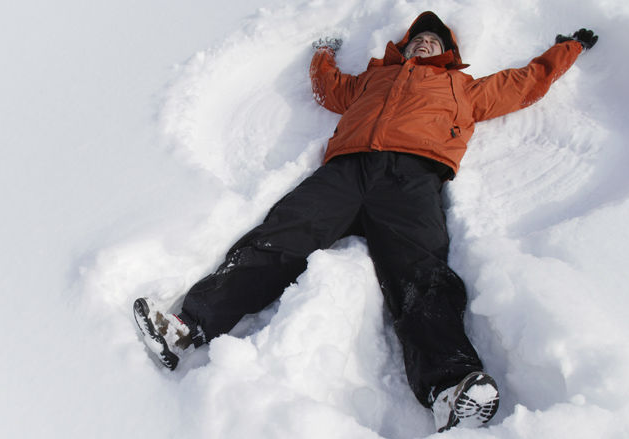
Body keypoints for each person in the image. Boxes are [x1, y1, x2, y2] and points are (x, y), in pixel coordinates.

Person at [133, 11, 598, 432]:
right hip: (346, 171)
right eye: (417, 40)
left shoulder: (464, 88)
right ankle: (185, 326)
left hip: (412, 179)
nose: (423, 45)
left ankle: (451, 386)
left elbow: (527, 81)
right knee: (278, 239)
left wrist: (568, 49)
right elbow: (329, 87)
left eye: (433, 42)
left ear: (448, 53)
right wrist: (323, 52)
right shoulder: (373, 80)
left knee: (420, 273)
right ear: (405, 46)